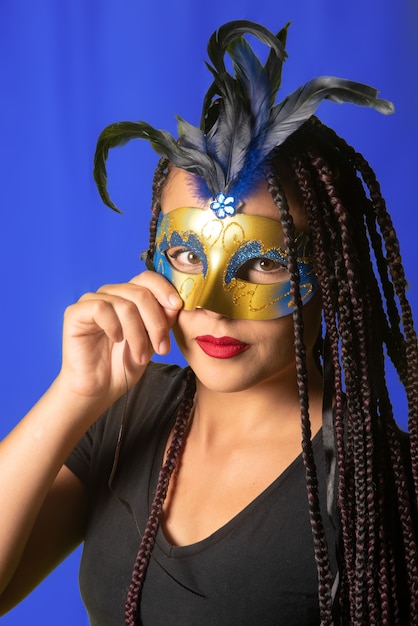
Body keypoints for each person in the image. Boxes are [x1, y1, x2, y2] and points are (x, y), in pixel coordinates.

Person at [0, 19, 416, 626]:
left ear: (333, 276)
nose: (214, 304)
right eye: (189, 255)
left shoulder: (375, 482)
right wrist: (75, 394)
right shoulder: (124, 417)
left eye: (266, 263)